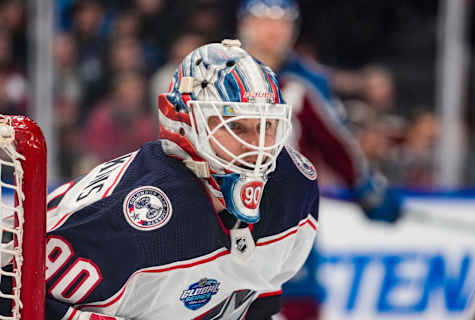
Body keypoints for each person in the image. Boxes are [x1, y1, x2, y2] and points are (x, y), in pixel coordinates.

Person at [0, 40, 319, 319]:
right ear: (184, 121)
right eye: (235, 127)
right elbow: (10, 287)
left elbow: (257, 301)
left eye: (267, 127)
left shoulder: (293, 187)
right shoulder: (131, 216)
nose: (257, 147)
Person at [237, 0, 401, 221]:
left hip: (291, 212)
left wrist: (367, 188)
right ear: (245, 24)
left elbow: (336, 142)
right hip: (228, 206)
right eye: (265, 21)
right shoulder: (217, 72)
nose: (274, 30)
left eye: (283, 22)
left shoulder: (306, 80)